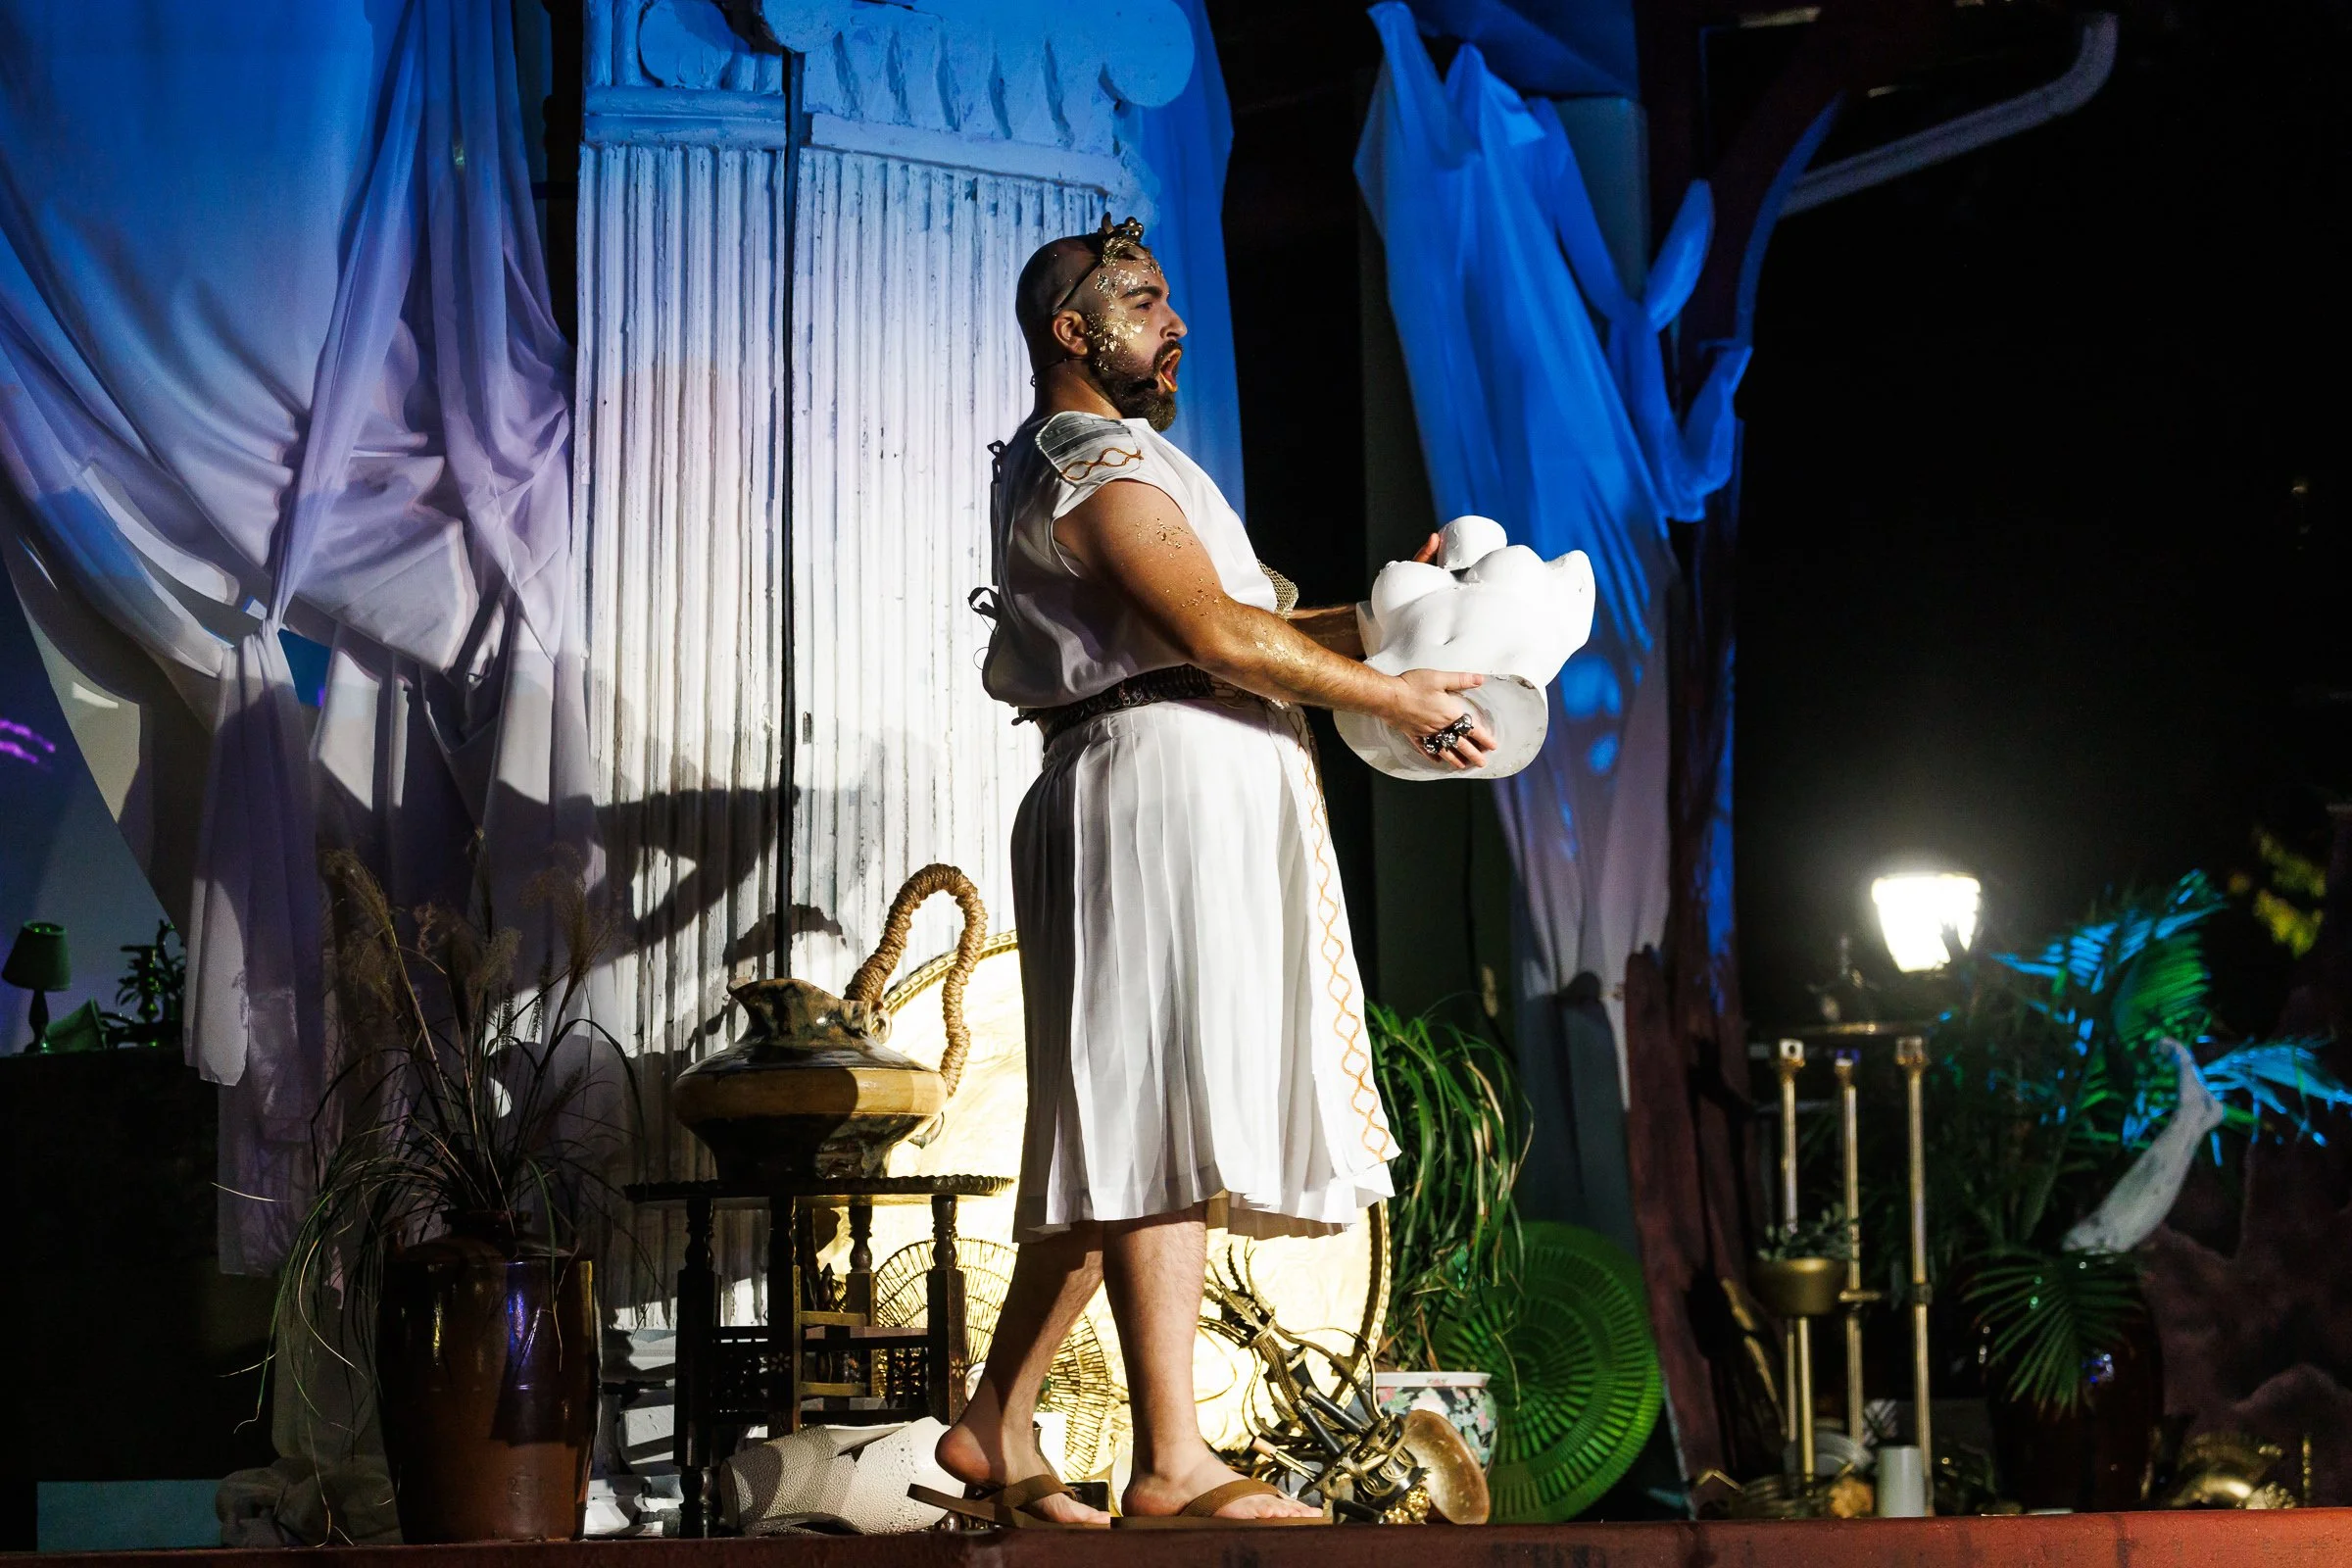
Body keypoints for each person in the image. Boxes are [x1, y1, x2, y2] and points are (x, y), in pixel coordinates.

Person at [926, 217, 1494, 1528]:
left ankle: (991, 1422)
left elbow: (1259, 626)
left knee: (1132, 1116)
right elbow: (1213, 632)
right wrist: (1394, 701)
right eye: (1141, 298)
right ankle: (1173, 1463)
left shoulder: (1137, 462)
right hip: (1149, 783)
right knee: (1150, 1113)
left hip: (1179, 773)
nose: (1171, 320)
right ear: (1072, 332)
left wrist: (1401, 628)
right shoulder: (1093, 457)